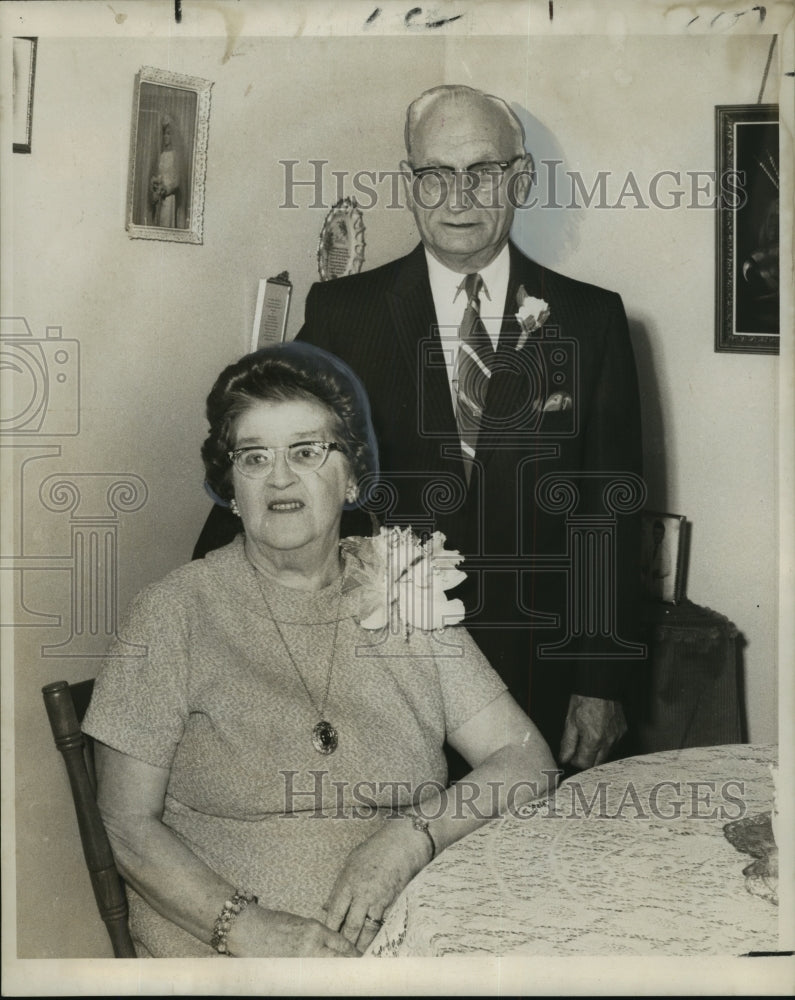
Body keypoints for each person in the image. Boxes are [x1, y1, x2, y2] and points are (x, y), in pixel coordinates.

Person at [194, 84, 646, 773]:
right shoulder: (345, 312)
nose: (456, 198)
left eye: (481, 172)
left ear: (518, 179)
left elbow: (608, 517)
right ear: (410, 183)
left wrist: (601, 682)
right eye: (434, 175)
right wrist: (207, 602)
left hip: (537, 677)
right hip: (377, 672)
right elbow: (272, 462)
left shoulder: (590, 322)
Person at [83, 341, 556, 958]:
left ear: (354, 474)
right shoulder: (174, 613)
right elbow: (126, 824)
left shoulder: (404, 586)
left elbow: (526, 760)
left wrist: (408, 839)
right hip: (232, 957)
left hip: (408, 937)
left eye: (307, 451)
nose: (279, 477)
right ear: (230, 484)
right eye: (254, 457)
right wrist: (250, 929)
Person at [149, 114, 184, 228]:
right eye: (164, 133)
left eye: (168, 133)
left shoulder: (174, 156)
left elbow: (177, 181)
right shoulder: (162, 155)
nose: (165, 136)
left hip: (169, 198)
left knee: (166, 223)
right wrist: (155, 188)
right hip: (159, 198)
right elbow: (159, 175)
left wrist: (165, 189)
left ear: (173, 135)